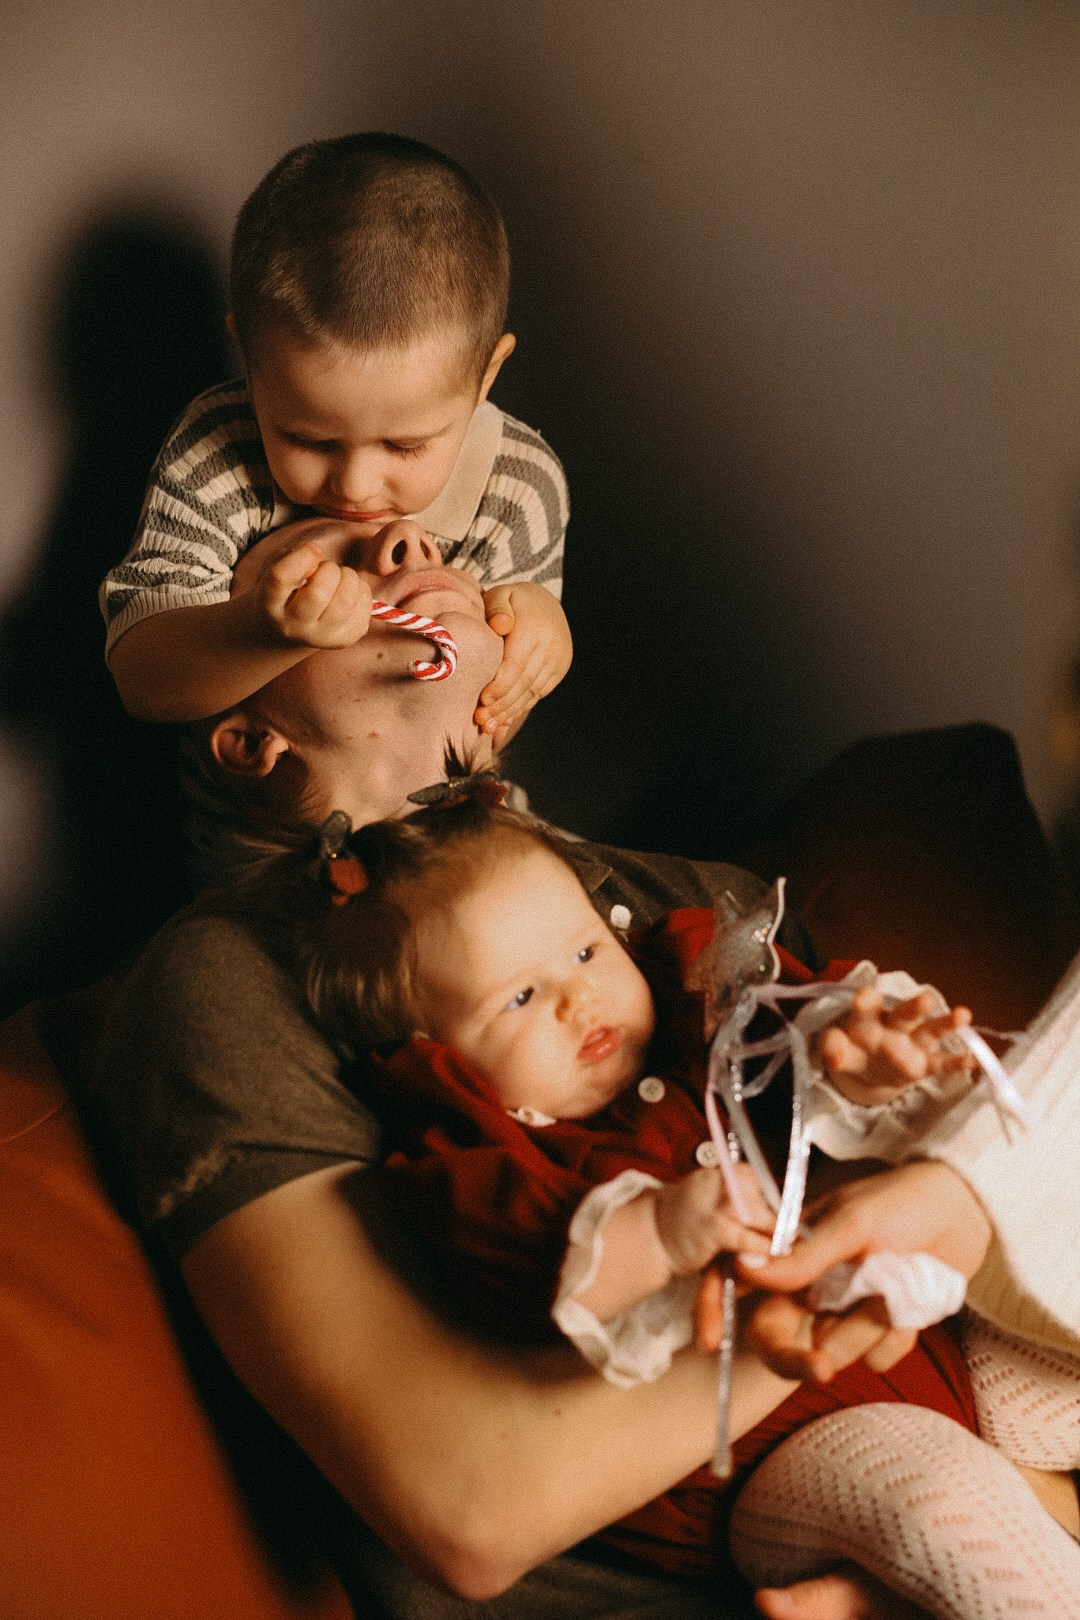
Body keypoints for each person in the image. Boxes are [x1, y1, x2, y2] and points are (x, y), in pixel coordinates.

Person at [92, 526, 1078, 1618]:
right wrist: (870, 1277)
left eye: (432, 526)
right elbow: (472, 1508)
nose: (400, 533)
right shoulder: (237, 973)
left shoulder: (682, 896)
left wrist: (895, 1078)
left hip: (967, 1436)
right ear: (250, 740)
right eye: (324, 568)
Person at [252, 790, 1079, 1613]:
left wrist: (862, 1063)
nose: (579, 1000)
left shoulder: (695, 1001)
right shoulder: (483, 1163)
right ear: (445, 1062)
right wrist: (661, 1230)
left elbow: (801, 1037)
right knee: (946, 1507)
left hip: (937, 1345)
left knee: (1051, 1316)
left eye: (581, 954)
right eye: (519, 999)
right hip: (785, 1460)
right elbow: (547, 1274)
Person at [99, 132, 571, 745]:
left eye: (404, 447)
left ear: (486, 377)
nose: (355, 485)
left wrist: (536, 642)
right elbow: (143, 681)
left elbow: (482, 731)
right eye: (310, 440)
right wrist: (268, 632)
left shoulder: (517, 486)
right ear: (252, 360)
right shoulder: (217, 453)